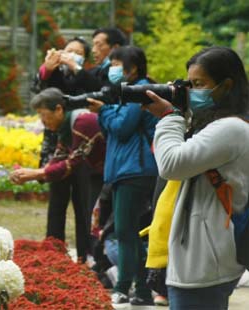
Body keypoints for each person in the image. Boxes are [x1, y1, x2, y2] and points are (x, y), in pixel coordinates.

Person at [144, 46, 249, 309]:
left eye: (199, 84)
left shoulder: (231, 128)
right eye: (189, 84)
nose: (192, 91)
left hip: (205, 260)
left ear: (226, 85)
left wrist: (171, 116)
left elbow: (171, 164)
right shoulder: (217, 124)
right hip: (201, 254)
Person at [87, 46, 158, 306]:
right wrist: (107, 112)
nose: (112, 69)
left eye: (117, 64)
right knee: (128, 232)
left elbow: (122, 127)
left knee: (126, 232)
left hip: (135, 170)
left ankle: (123, 287)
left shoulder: (139, 91)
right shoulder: (124, 92)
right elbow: (111, 132)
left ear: (134, 67)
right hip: (124, 169)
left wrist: (104, 111)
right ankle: (141, 291)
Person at [10, 87, 106, 262]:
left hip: (109, 174)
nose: (42, 120)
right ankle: (89, 260)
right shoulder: (65, 126)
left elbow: (72, 163)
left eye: (43, 114)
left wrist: (35, 174)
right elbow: (60, 156)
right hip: (98, 173)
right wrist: (32, 174)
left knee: (95, 219)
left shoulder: (82, 122)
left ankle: (98, 263)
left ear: (59, 109)